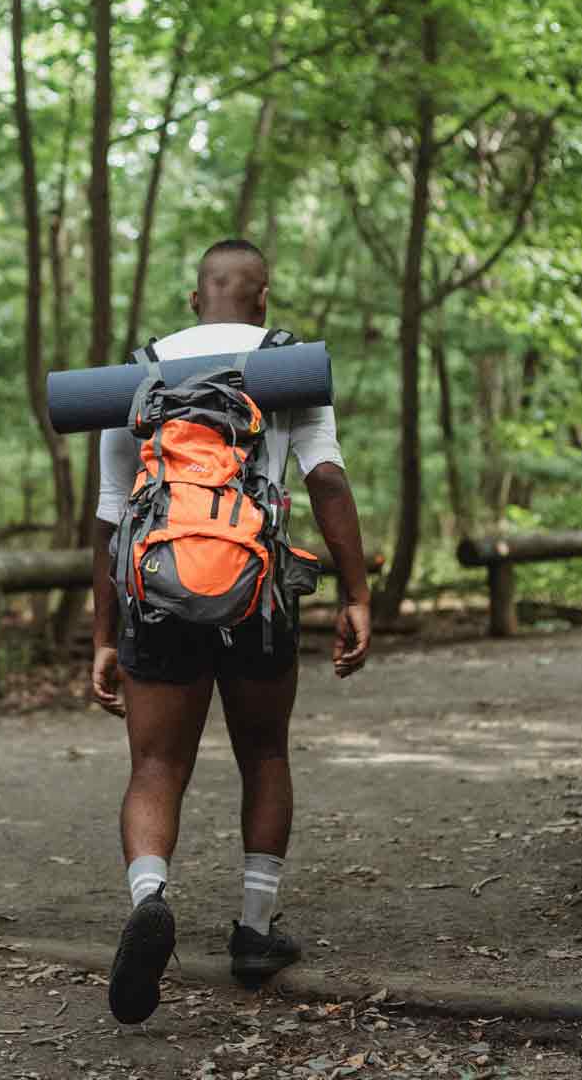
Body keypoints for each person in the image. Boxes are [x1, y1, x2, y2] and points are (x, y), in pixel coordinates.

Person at [90, 238, 373, 1024]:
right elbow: (325, 479)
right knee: (265, 753)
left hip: (155, 596)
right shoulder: (289, 368)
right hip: (258, 597)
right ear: (263, 300)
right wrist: (356, 593)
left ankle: (149, 897)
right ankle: (253, 929)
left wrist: (103, 637)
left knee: (154, 765)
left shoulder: (138, 374)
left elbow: (113, 515)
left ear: (195, 299)